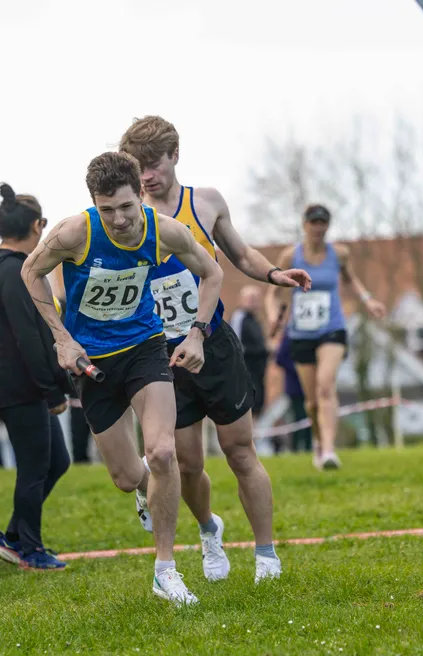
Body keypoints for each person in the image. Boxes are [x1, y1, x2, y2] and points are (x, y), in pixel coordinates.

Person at [22, 151, 223, 605]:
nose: (118, 219)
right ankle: (144, 489)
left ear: (140, 197)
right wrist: (61, 338)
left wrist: (197, 334)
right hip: (92, 361)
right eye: (107, 209)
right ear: (94, 203)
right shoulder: (75, 232)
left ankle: (165, 570)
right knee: (128, 475)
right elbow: (30, 270)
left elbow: (212, 273)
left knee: (163, 452)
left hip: (145, 348)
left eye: (127, 207)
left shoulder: (166, 231)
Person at [120, 117, 308, 584]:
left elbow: (240, 255)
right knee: (186, 463)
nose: (147, 175)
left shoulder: (205, 203)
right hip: (162, 355)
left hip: (213, 342)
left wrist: (274, 275)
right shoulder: (126, 218)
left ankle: (266, 555)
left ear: (175, 156)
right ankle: (209, 529)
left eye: (154, 164)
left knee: (240, 451)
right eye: (139, 167)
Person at [0, 184, 74, 570]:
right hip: (21, 384)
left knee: (57, 460)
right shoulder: (13, 271)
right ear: (35, 226)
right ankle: (28, 547)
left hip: (18, 382)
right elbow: (27, 335)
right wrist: (52, 390)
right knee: (34, 467)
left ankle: (14, 537)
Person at [267, 204, 385, 470]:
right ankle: (319, 443)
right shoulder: (291, 256)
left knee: (325, 386)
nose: (318, 228)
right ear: (305, 225)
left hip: (332, 328)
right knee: (311, 402)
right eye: (314, 222)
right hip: (300, 332)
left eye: (323, 223)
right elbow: (272, 293)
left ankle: (330, 450)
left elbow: (351, 279)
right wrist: (274, 316)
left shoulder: (339, 254)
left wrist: (368, 300)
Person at [230, 286, 270, 417]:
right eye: (250, 298)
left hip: (257, 373)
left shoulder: (253, 320)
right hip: (246, 374)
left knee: (258, 406)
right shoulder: (239, 318)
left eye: (256, 298)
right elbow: (237, 347)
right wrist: (263, 350)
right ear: (240, 299)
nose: (253, 302)